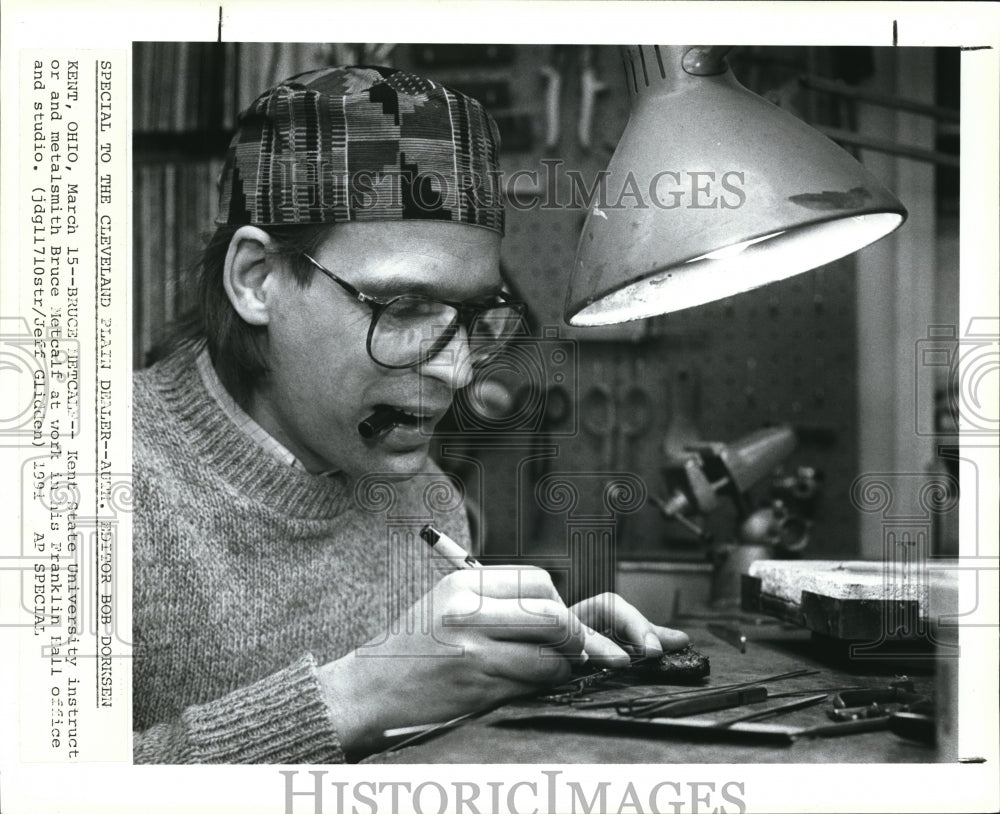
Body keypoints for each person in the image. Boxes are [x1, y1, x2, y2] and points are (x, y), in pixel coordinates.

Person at [132, 65, 688, 764]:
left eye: (477, 315)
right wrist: (354, 699)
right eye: (404, 308)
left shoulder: (421, 495)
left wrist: (516, 668)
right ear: (258, 279)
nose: (457, 372)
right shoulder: (76, 484)